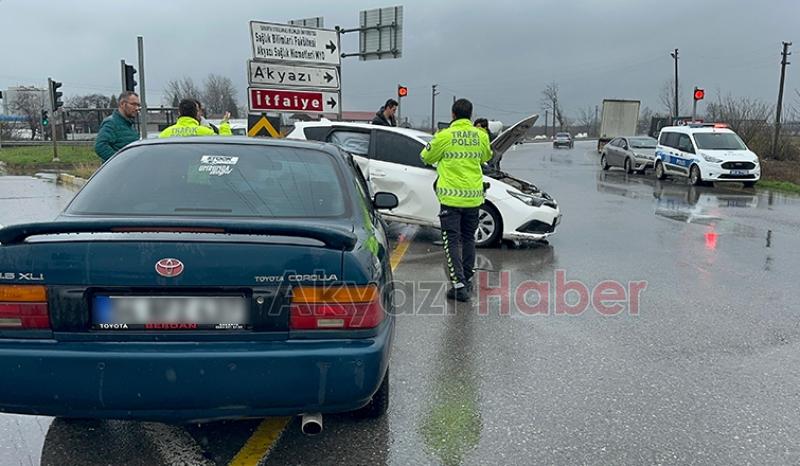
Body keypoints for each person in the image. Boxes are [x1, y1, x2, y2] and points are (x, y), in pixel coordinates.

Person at [420, 98, 492, 302]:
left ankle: (459, 285)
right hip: (473, 199)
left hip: (451, 199)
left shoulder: (444, 136)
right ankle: (467, 279)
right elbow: (485, 156)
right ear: (470, 114)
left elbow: (425, 156)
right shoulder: (481, 136)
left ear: (452, 114)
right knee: (469, 239)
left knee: (451, 241)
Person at [94, 91, 141, 161]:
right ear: (122, 104)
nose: (137, 108)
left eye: (138, 105)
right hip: (119, 170)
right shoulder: (111, 123)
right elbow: (100, 146)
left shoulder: (130, 125)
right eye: (133, 104)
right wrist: (119, 161)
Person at [159, 99, 232, 138]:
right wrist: (224, 124)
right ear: (197, 112)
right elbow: (225, 145)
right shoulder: (206, 133)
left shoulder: (165, 134)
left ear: (179, 112)